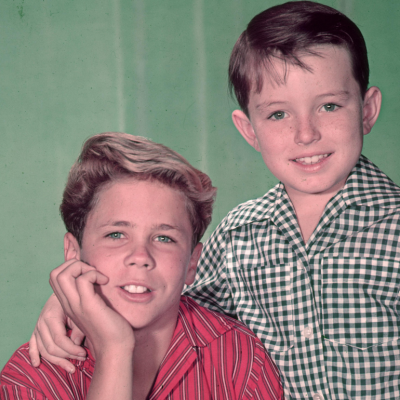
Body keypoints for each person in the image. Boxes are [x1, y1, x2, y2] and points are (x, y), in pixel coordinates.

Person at [22, 1, 400, 399]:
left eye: (329, 106)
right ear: (249, 129)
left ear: (367, 110)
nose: (305, 134)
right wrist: (69, 301)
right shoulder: (238, 237)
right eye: (277, 115)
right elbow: (159, 296)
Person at [0, 132, 282, 400]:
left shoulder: (238, 359)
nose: (140, 255)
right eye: (116, 235)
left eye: (164, 238)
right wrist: (115, 350)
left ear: (192, 263)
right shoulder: (30, 378)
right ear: (74, 253)